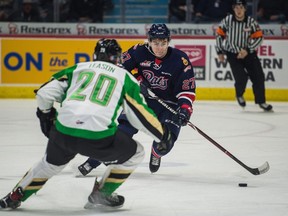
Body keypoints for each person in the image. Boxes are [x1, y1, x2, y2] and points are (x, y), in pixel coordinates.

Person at [0, 38, 173, 210]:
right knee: (136, 153)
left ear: (95, 55)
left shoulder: (78, 68)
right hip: (98, 138)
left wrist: (46, 115)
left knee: (48, 165)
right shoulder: (125, 77)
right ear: (118, 58)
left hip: (63, 133)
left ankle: (15, 195)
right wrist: (162, 135)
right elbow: (140, 116)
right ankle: (102, 194)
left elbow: (44, 94)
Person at [78, 23, 196, 176]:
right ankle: (91, 162)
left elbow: (186, 89)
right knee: (120, 133)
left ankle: (156, 153)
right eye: (156, 43)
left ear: (168, 41)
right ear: (149, 41)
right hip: (142, 101)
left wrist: (185, 110)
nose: (159, 47)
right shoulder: (138, 51)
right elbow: (119, 67)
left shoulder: (180, 60)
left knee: (165, 144)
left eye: (163, 43)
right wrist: (137, 81)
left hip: (169, 106)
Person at [215, 0, 273, 111]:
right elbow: (219, 35)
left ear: (245, 9)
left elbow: (259, 38)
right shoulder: (228, 20)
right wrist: (219, 52)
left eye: (241, 7)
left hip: (248, 53)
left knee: (258, 77)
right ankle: (239, 95)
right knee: (241, 77)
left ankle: (261, 102)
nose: (239, 10)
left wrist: (247, 50)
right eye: (236, 7)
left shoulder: (251, 22)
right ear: (233, 9)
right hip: (232, 54)